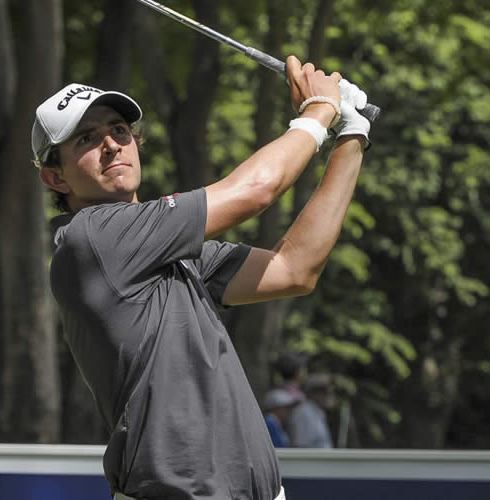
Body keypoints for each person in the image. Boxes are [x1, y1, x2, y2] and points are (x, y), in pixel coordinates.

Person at [33, 55, 371, 500]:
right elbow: (256, 190)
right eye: (86, 139)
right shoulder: (95, 238)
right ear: (54, 176)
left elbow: (294, 270)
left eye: (118, 130)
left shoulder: (168, 254)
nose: (112, 144)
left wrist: (352, 134)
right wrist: (318, 112)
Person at [288, 373, 335, 448]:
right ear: (312, 392)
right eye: (324, 390)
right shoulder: (303, 413)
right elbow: (300, 447)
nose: (329, 393)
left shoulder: (318, 413)